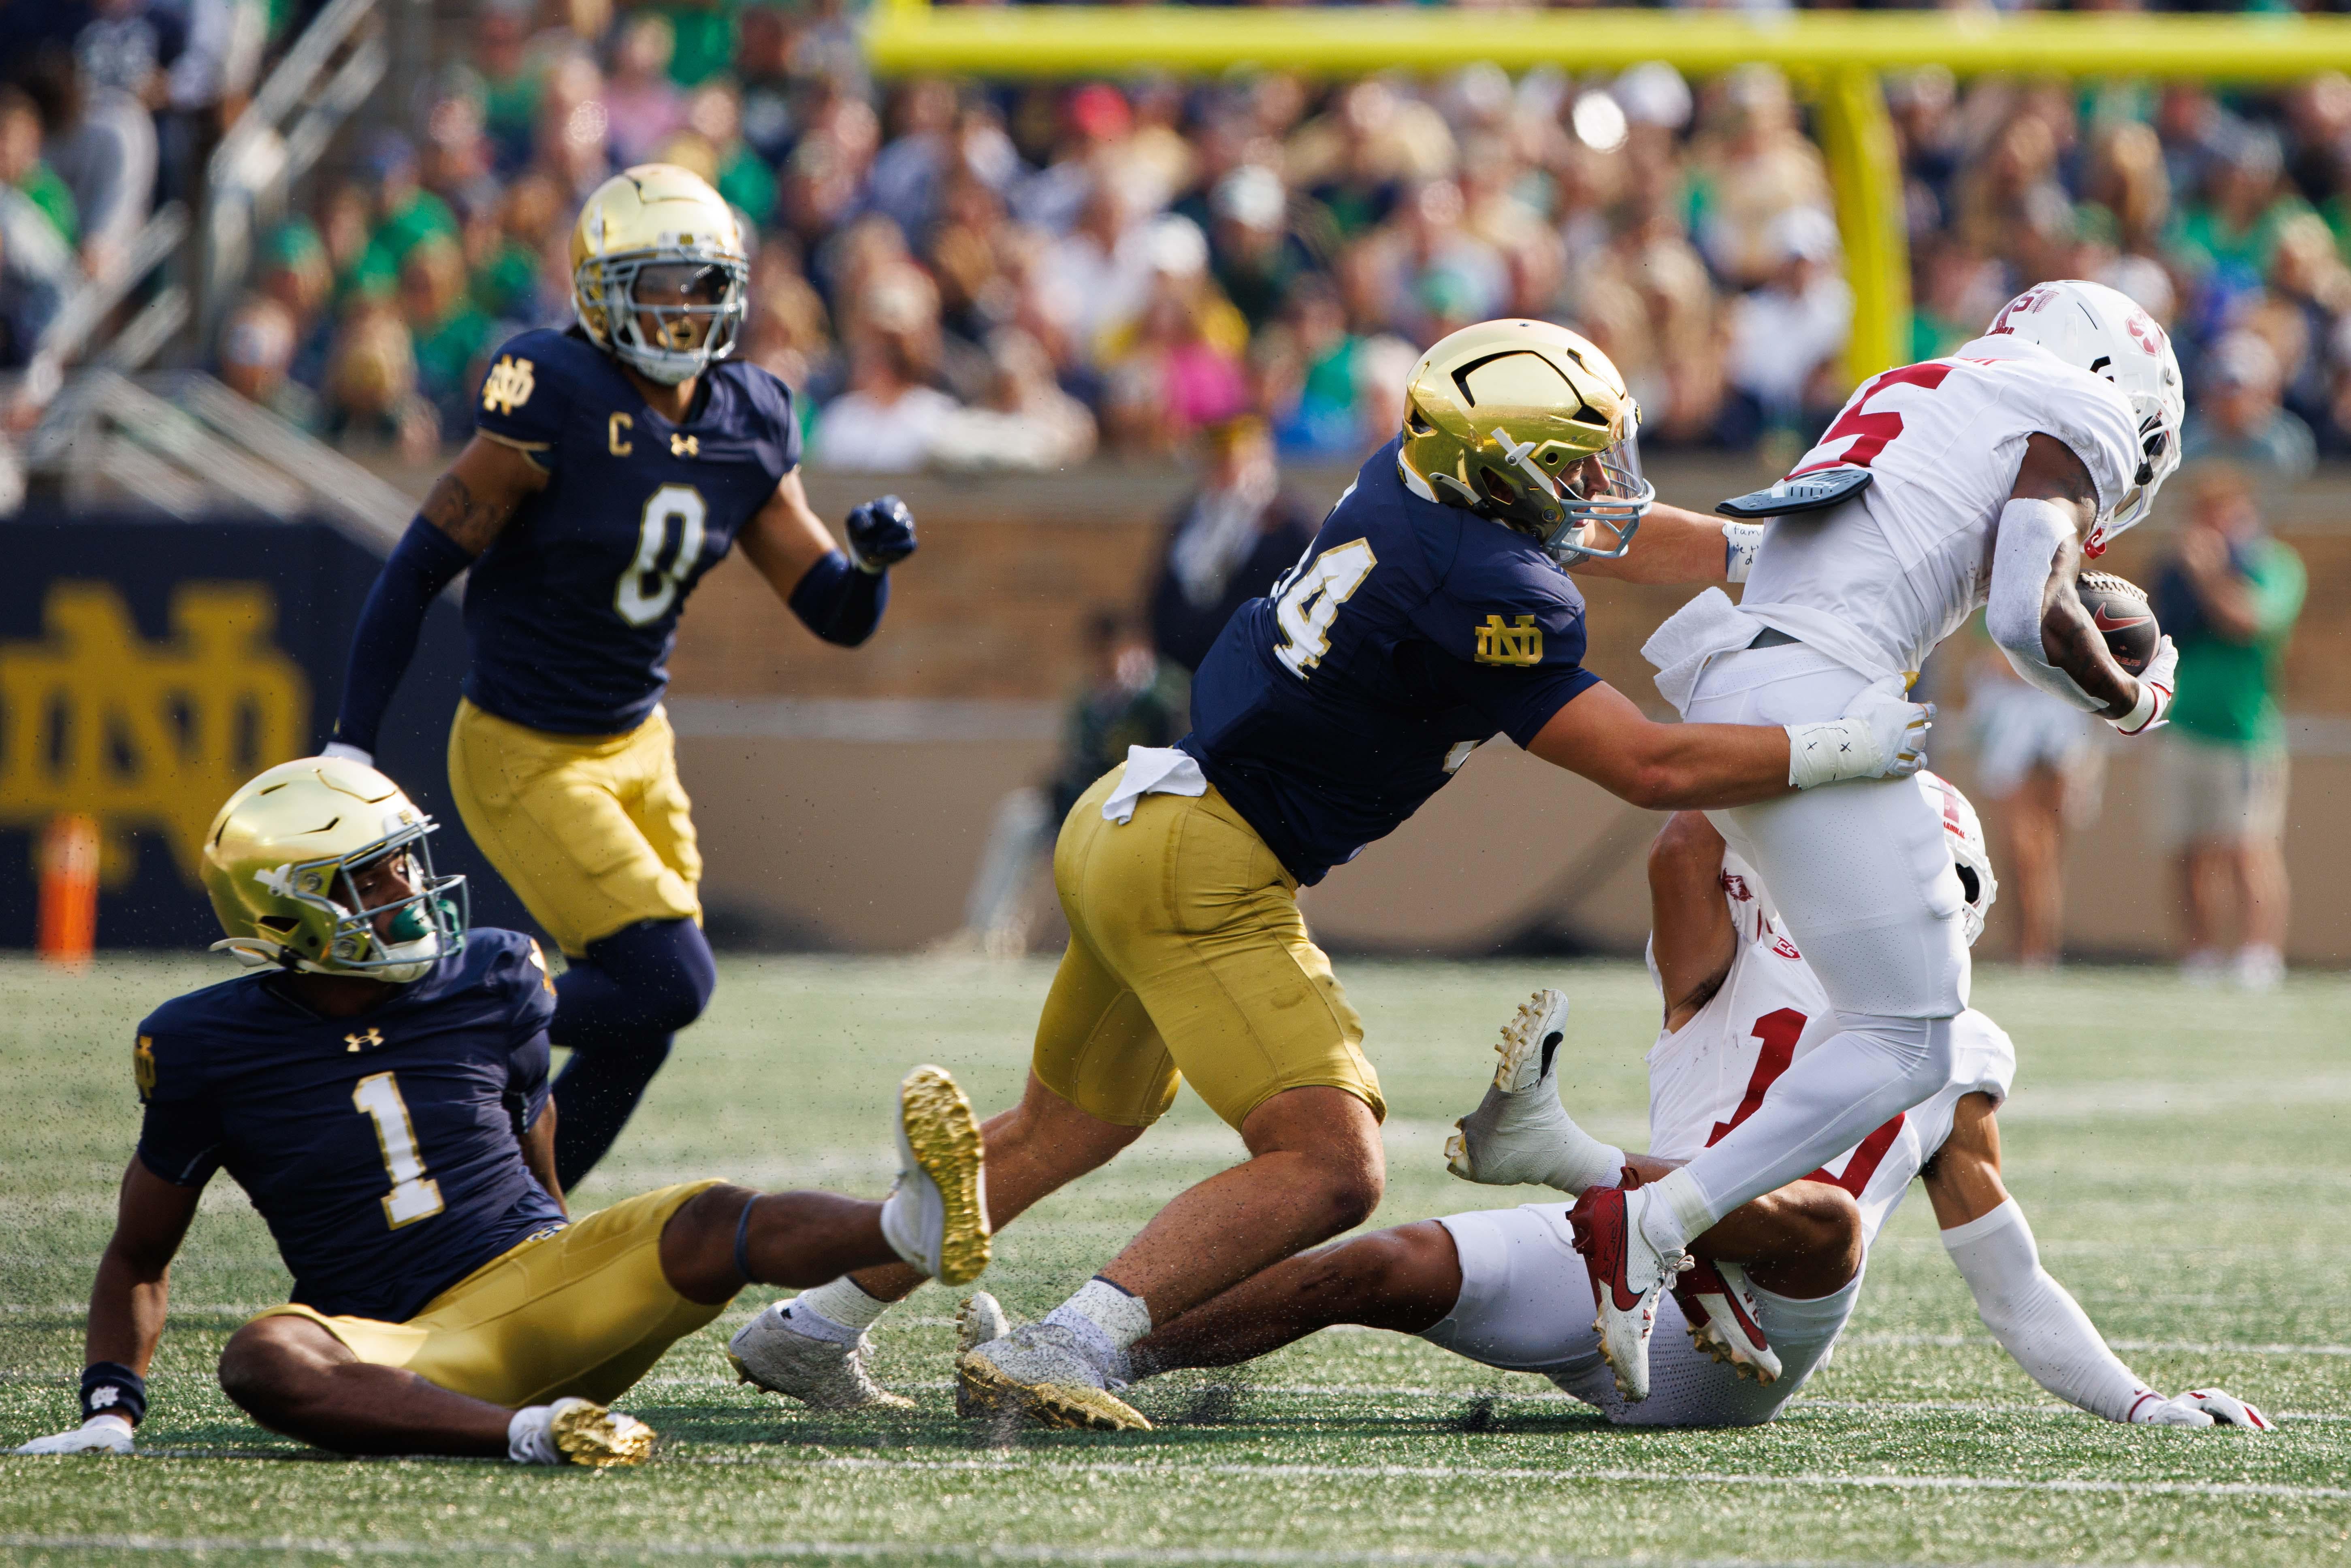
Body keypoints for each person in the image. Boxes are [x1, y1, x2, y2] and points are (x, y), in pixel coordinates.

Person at [730, 318, 1933, 1427]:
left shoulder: (1410, 479)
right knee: (1330, 1161)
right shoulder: (1493, 587)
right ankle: (1075, 1344)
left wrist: (1740, 550)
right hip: (1204, 862)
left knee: (1065, 1125)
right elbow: (1649, 765)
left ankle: (815, 1321)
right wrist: (1836, 747)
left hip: (1130, 814)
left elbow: (1594, 542)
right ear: (1498, 473)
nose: (1602, 491)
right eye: (1575, 467)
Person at [1077, 799, 2268, 1435]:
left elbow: (2011, 1282)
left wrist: (2139, 1399)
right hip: (1615, 1289)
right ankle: (1102, 1353)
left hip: (1750, 1338)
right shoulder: (1737, 953)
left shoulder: (1963, 1048)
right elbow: (1688, 826)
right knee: (1376, 1267)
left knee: (1835, 1227)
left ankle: (1575, 1163)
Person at [8, 757, 989, 1464]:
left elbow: (535, 1136)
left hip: (542, 1289)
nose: (409, 889)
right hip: (408, 1356)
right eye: (372, 876)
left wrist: (572, 1254)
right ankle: (533, 1435)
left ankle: (905, 1226)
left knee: (704, 1213)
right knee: (266, 1351)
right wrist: (110, 1410)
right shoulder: (202, 1044)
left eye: (407, 860)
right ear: (286, 909)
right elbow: (140, 1252)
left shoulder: (492, 973)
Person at [1578, 278, 2188, 1404]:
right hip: (1820, 682)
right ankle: (1657, 1225)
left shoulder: (1919, 386)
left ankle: (1668, 1217)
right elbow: (2022, 611)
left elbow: (1970, 609)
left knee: (1883, 1019)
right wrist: (2130, 702)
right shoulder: (2079, 412)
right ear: (2118, 387)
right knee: (1912, 1040)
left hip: (1736, 671)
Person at [322, 165, 920, 1192]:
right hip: (524, 748)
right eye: (660, 283)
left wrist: (867, 566)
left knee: (645, 1017)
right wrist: (351, 741)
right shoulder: (553, 390)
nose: (685, 309)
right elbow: (421, 566)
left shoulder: (749, 415)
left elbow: (832, 613)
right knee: (671, 981)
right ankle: (427, 999)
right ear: (600, 290)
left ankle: (511, 1210)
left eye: (702, 285)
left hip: (639, 743)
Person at [2152, 463, 2307, 989]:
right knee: (2189, 851)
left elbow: (2250, 622)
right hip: (2185, 727)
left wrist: (2209, 575)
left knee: (2249, 847)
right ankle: (2200, 957)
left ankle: (2260, 956)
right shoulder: (2175, 572)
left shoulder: (2273, 566)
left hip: (2246, 733)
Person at [1967, 636, 2105, 967]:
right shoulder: (1995, 606)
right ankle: (2028, 949)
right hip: (2012, 737)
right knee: (2021, 855)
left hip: (2061, 733)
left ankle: (2039, 951)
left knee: (2046, 856)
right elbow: (1995, 663)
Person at [1145, 415, 1318, 678]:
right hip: (1187, 669)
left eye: (1233, 462)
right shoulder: (1191, 516)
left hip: (1256, 670)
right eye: (1216, 463)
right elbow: (1164, 590)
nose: (1223, 472)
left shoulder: (1285, 520)